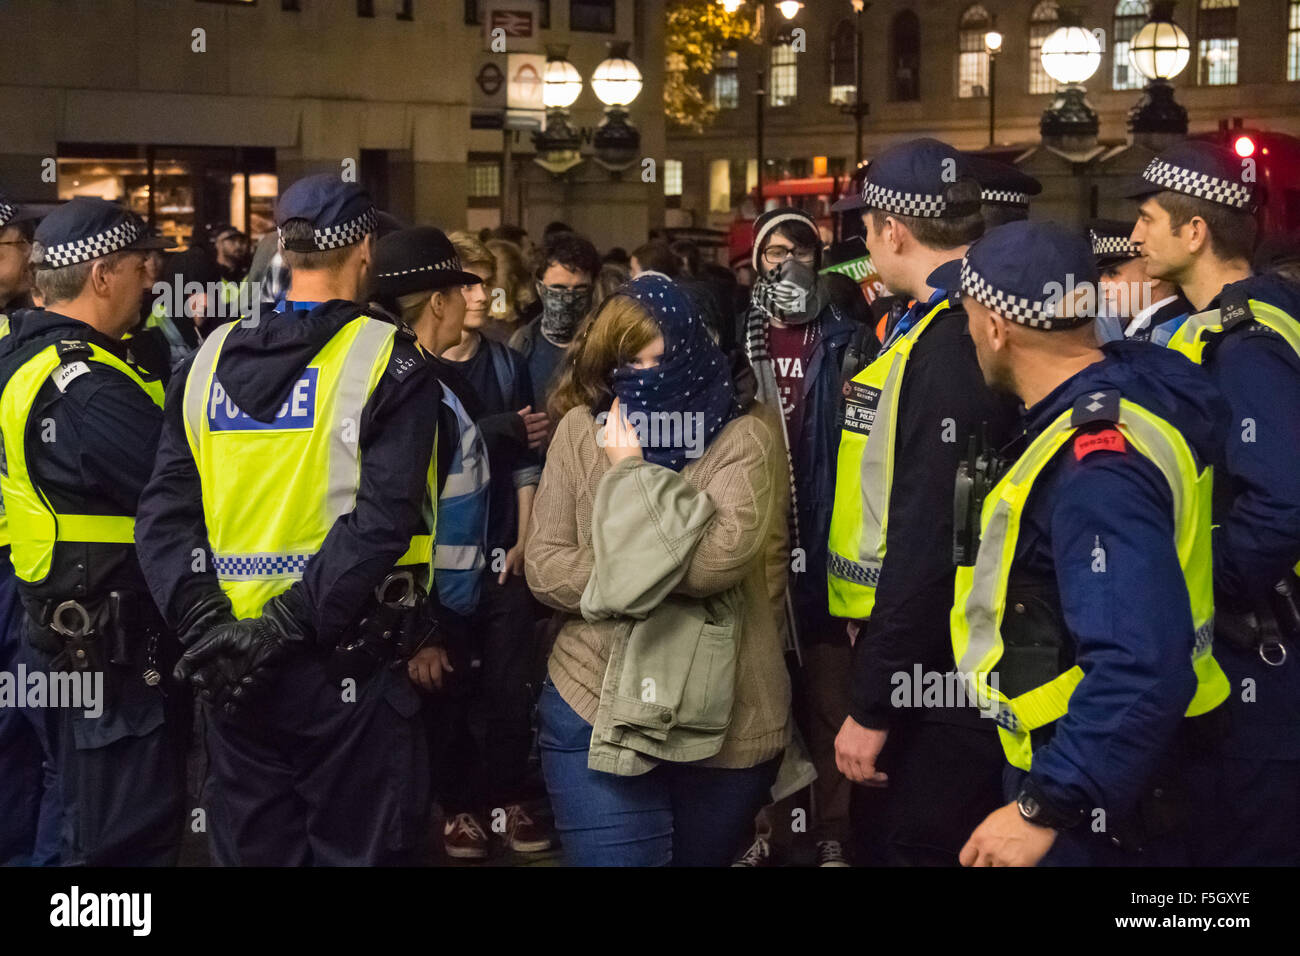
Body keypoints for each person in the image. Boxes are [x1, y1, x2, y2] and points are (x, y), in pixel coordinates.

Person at [135, 174, 446, 865]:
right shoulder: (389, 362)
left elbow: (162, 516)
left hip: (232, 672)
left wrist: (209, 629)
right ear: (365, 249)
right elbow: (380, 523)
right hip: (344, 668)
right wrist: (277, 629)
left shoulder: (205, 361)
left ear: (281, 246)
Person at [947, 220, 1231, 866]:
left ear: (996, 326)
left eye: (968, 317)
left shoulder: (1097, 464)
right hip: (1137, 768)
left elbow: (1140, 663)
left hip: (1103, 798)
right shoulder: (1131, 395)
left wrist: (1045, 805)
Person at [525, 273, 791, 866]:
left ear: (692, 348)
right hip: (592, 699)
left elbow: (715, 566)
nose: (646, 375)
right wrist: (640, 571)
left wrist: (630, 475)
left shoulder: (745, 434)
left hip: (724, 719)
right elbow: (543, 568)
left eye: (659, 356)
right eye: (629, 362)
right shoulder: (578, 431)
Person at [827, 138, 1018, 866]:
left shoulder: (950, 340)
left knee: (908, 843)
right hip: (937, 658)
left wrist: (876, 700)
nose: (865, 243)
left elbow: (933, 531)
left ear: (893, 232)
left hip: (939, 675)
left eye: (866, 228)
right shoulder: (946, 322)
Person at [1126, 140, 1300, 865]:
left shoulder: (1247, 343)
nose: (1134, 237)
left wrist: (1200, 583)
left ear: (1194, 232)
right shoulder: (1243, 323)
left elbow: (1281, 502)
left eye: (1147, 219)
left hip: (1261, 656)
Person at [0, 197, 188, 866]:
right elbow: (172, 489)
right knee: (115, 838)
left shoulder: (27, 356)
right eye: (144, 264)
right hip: (98, 653)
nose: (153, 278)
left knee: (59, 813)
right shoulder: (83, 384)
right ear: (103, 274)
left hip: (53, 631)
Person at [398, 229, 554, 859]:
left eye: (486, 281)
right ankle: (459, 809)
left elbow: (526, 459)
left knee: (509, 690)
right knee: (447, 692)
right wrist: (499, 431)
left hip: (501, 554)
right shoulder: (410, 367)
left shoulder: (505, 362)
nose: (481, 294)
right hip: (437, 567)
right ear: (439, 294)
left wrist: (522, 539)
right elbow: (421, 464)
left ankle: (508, 800)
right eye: (468, 281)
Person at [732, 207, 858, 867]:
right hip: (760, 546)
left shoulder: (845, 342)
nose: (785, 263)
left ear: (819, 260)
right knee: (763, 696)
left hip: (827, 538)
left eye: (799, 252)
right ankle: (771, 830)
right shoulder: (740, 343)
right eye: (772, 252)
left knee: (830, 693)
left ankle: (832, 828)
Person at [509, 230, 600, 417]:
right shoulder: (521, 346)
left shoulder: (603, 348)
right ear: (539, 289)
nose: (569, 298)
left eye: (580, 289)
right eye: (559, 288)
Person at [1087, 219, 1190, 346]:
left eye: (1113, 274)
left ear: (1153, 275)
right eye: (1100, 275)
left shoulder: (1166, 336)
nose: (1102, 286)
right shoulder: (1143, 330)